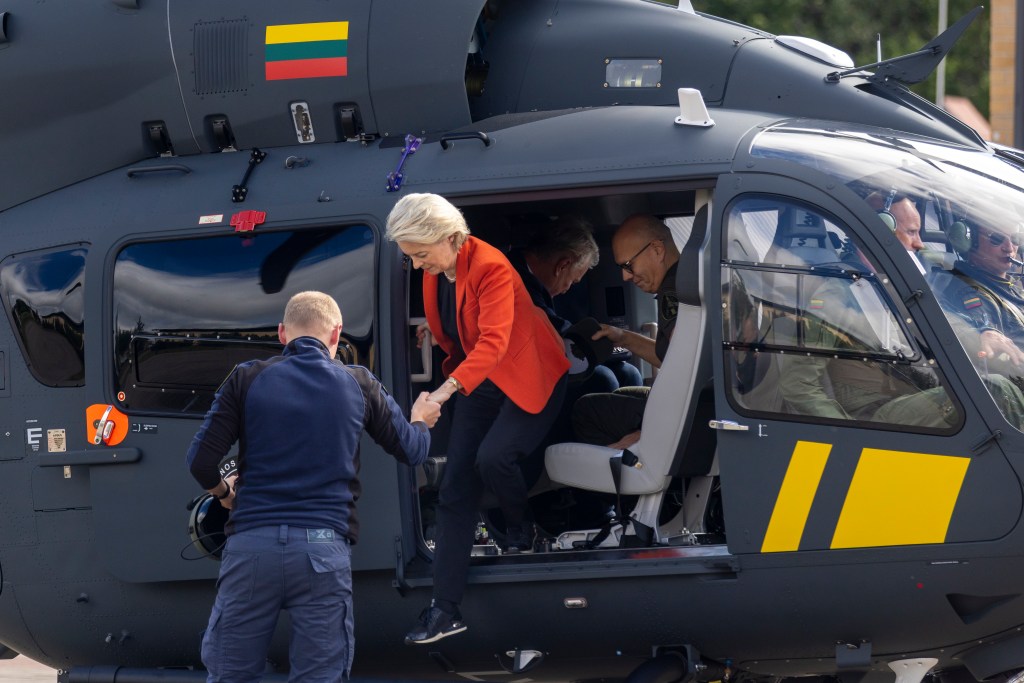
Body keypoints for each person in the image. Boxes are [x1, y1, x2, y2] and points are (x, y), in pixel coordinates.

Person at [186, 291, 441, 683]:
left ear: (282, 334)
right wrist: (421, 419)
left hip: (252, 549)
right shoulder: (359, 383)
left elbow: (200, 461)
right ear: (337, 333)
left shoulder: (247, 377)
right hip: (323, 551)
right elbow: (412, 450)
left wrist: (225, 493)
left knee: (230, 674)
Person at [386, 193, 569, 645]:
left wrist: (444, 392)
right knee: (455, 487)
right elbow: (467, 339)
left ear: (451, 238)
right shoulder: (435, 269)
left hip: (529, 370)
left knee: (495, 457)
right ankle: (444, 609)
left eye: (421, 254)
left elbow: (494, 343)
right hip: (480, 376)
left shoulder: (490, 266)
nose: (416, 265)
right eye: (409, 256)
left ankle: (522, 530)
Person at [571, 214, 680, 449]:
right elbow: (674, 357)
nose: (625, 276)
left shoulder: (675, 294)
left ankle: (626, 479)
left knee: (587, 409)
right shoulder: (685, 281)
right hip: (695, 405)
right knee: (623, 391)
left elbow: (688, 373)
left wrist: (649, 431)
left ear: (657, 250)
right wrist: (623, 337)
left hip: (689, 414)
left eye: (628, 266)